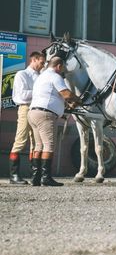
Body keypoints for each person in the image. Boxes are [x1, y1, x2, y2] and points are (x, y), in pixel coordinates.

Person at [27, 56, 82, 186]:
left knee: (38, 145)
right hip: (45, 115)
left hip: (33, 113)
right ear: (59, 66)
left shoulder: (41, 76)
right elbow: (66, 94)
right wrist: (78, 99)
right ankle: (46, 178)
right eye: (62, 67)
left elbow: (52, 95)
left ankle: (36, 177)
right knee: (49, 146)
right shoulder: (55, 76)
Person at [7, 51, 45, 184]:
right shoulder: (22, 74)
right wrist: (40, 92)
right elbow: (21, 95)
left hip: (37, 109)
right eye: (41, 62)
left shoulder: (41, 76)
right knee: (20, 140)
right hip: (25, 108)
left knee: (36, 142)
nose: (43, 65)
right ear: (34, 60)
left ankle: (35, 175)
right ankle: (14, 175)